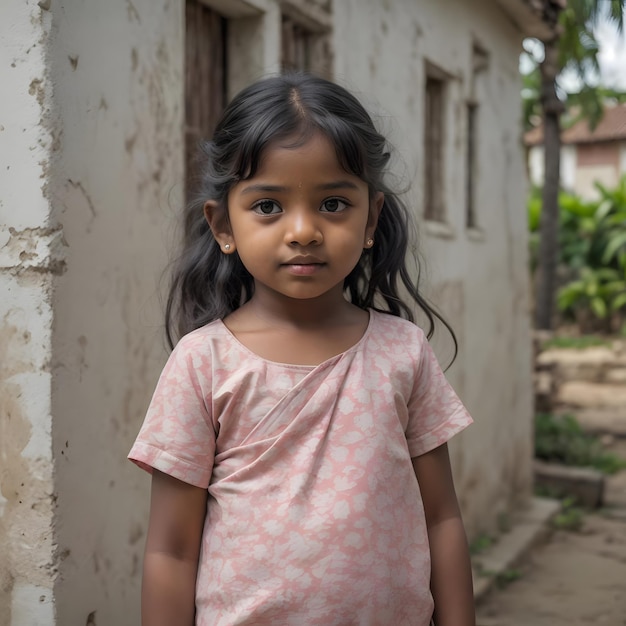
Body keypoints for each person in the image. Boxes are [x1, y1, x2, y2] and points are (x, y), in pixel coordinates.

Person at [129, 72, 475, 626]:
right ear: (223, 225)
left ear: (372, 218)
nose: (303, 231)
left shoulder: (403, 353)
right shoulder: (203, 363)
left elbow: (441, 519)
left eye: (334, 203)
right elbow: (171, 550)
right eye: (267, 206)